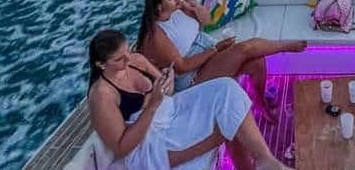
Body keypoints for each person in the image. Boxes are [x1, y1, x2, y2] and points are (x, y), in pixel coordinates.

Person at [87, 29, 291, 170]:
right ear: (101, 65)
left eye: (127, 52)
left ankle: (264, 159)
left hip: (172, 108)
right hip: (151, 134)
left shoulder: (137, 61)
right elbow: (122, 147)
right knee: (228, 123)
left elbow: (167, 88)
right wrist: (152, 106)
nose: (128, 59)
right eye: (119, 59)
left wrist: (167, 81)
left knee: (226, 87)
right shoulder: (101, 96)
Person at [136, 0, 307, 122]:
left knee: (257, 62)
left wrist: (191, 3)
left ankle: (260, 104)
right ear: (158, 6)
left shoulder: (178, 9)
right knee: (244, 49)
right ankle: (285, 46)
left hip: (207, 53)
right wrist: (215, 49)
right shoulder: (155, 35)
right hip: (192, 76)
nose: (178, 0)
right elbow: (182, 67)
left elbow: (207, 20)